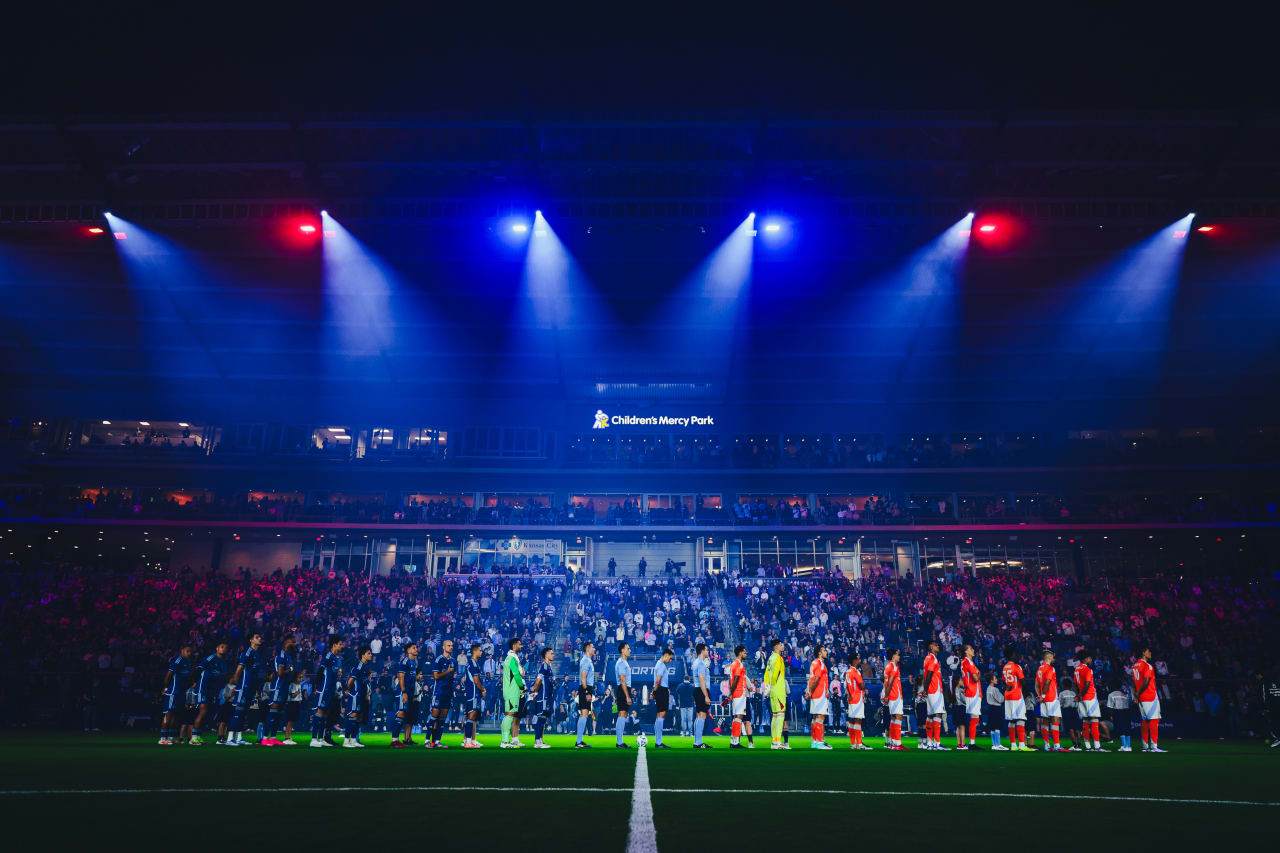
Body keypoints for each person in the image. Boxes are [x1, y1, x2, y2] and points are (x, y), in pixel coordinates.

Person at [225, 633, 263, 746]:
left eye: (260, 637)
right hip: (244, 685)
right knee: (238, 711)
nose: (259, 638)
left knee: (244, 712)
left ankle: (239, 738)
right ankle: (229, 738)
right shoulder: (248, 652)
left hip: (252, 686)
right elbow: (240, 667)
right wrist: (236, 682)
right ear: (251, 640)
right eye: (257, 637)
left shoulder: (257, 654)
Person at [191, 639, 229, 746]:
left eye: (225, 647)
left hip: (212, 690)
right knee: (202, 711)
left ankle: (198, 737)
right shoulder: (212, 657)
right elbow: (199, 669)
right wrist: (194, 682)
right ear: (217, 648)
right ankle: (194, 738)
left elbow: (222, 677)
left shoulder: (223, 663)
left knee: (206, 713)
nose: (224, 649)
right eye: (222, 646)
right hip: (203, 688)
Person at [262, 634, 297, 747]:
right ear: (287, 642)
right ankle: (264, 738)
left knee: (278, 714)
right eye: (293, 642)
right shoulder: (281, 655)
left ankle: (273, 738)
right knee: (273, 711)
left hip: (284, 687)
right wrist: (290, 669)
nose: (295, 644)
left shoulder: (288, 655)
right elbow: (280, 673)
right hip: (278, 686)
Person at [158, 642, 195, 746]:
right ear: (182, 651)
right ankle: (162, 738)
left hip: (181, 693)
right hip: (173, 692)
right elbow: (168, 675)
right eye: (187, 651)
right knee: (169, 714)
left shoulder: (188, 662)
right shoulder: (177, 661)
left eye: (190, 652)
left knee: (176, 716)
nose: (189, 653)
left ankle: (171, 738)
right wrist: (166, 688)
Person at [310, 634, 344, 748]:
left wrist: (338, 674)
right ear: (334, 645)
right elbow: (320, 671)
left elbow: (334, 674)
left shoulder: (336, 658)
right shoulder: (328, 656)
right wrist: (316, 687)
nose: (342, 646)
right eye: (340, 644)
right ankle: (313, 739)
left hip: (331, 690)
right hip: (324, 689)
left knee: (324, 714)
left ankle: (321, 738)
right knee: (319, 713)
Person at [1132, 646, 1166, 752]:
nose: (1150, 653)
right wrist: (1137, 693)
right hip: (1149, 696)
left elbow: (1133, 683)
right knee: (1154, 720)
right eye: (1148, 651)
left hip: (1141, 697)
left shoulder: (1135, 666)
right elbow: (1146, 682)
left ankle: (1145, 746)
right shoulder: (1147, 666)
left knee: (1145, 721)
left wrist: (1135, 695)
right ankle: (1154, 746)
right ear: (1143, 653)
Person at [427, 638, 456, 749]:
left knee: (442, 719)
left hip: (448, 692)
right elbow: (435, 677)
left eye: (452, 645)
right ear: (443, 647)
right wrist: (447, 672)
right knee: (434, 716)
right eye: (449, 645)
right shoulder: (438, 660)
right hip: (439, 691)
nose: (451, 647)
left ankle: (437, 741)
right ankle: (427, 741)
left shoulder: (453, 661)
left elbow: (453, 676)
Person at [343, 646, 374, 748]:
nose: (371, 655)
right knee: (352, 716)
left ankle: (353, 740)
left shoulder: (365, 666)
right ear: (363, 655)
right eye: (369, 653)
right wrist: (350, 690)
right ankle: (346, 741)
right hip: (355, 695)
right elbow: (351, 679)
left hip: (360, 695)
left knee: (357, 718)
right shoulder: (359, 665)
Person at [1002, 646, 1032, 751]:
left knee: (1011, 720)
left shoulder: (1005, 667)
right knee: (1021, 719)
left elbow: (1003, 682)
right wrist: (1028, 693)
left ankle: (1013, 745)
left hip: (1008, 696)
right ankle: (1022, 745)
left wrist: (1006, 687)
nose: (1017, 656)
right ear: (1012, 655)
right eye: (1015, 654)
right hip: (1016, 695)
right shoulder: (1016, 667)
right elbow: (1023, 682)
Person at [391, 641, 420, 748]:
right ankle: (394, 741)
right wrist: (404, 692)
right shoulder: (405, 661)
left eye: (416, 647)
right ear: (408, 651)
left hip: (410, 693)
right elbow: (401, 677)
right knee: (401, 714)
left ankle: (401, 740)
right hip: (403, 692)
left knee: (406, 716)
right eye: (414, 648)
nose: (416, 649)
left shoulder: (414, 662)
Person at [920, 639, 947, 750]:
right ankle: (937, 743)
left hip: (931, 690)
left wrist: (925, 689)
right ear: (931, 647)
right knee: (937, 714)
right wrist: (925, 689)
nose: (938, 646)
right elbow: (929, 675)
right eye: (936, 645)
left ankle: (930, 743)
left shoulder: (928, 658)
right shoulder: (932, 658)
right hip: (934, 689)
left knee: (930, 715)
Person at [1074, 649, 1104, 751]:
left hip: (1081, 699)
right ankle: (1097, 746)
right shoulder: (1088, 670)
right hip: (1089, 697)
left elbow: (1075, 684)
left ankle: (1088, 746)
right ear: (1086, 658)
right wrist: (1081, 695)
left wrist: (1078, 695)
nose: (1091, 659)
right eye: (1090, 658)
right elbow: (1087, 684)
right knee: (1094, 720)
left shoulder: (1076, 669)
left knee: (1085, 721)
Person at [763, 638, 790, 750]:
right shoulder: (778, 658)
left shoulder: (770, 658)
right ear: (777, 646)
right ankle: (778, 742)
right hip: (778, 689)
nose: (782, 646)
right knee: (780, 715)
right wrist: (774, 685)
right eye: (781, 644)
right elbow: (775, 674)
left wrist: (768, 687)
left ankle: (774, 741)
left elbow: (766, 674)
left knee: (774, 715)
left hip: (772, 690)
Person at [804, 644, 832, 750]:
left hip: (816, 693)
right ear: (819, 653)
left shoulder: (813, 663)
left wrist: (809, 691)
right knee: (820, 717)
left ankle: (815, 741)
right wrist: (810, 691)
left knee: (815, 718)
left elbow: (811, 679)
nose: (826, 652)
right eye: (824, 650)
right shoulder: (819, 663)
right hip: (819, 694)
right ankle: (819, 742)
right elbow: (816, 679)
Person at [1035, 650, 1064, 751]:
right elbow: (1047, 682)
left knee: (1045, 721)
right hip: (1051, 697)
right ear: (1048, 658)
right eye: (1052, 657)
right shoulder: (1051, 668)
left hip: (1043, 700)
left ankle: (1046, 745)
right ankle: (1056, 745)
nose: (1053, 659)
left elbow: (1037, 685)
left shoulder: (1039, 669)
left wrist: (1040, 696)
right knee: (1055, 720)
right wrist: (1043, 695)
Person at [728, 645, 755, 749]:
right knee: (738, 717)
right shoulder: (739, 664)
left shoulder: (734, 664)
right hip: (739, 693)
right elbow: (736, 679)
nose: (746, 653)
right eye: (744, 652)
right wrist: (731, 692)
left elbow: (732, 680)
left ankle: (733, 741)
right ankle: (735, 743)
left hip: (736, 694)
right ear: (740, 653)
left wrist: (731, 693)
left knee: (736, 717)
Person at [501, 637, 526, 748]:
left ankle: (507, 741)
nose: (521, 646)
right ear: (514, 645)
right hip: (512, 691)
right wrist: (522, 687)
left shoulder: (512, 658)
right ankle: (504, 741)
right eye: (519, 644)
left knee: (510, 715)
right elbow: (516, 675)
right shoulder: (511, 659)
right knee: (509, 715)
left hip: (512, 691)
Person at [461, 643, 487, 748]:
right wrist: (483, 689)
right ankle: (467, 742)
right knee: (471, 717)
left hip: (472, 692)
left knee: (473, 717)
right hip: (473, 693)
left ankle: (470, 741)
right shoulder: (473, 663)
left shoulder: (472, 663)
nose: (481, 652)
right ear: (475, 651)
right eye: (480, 650)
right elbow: (476, 681)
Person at [529, 647, 555, 748]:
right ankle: (537, 741)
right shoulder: (544, 666)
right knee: (541, 718)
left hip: (547, 696)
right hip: (543, 695)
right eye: (551, 653)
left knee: (543, 718)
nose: (553, 655)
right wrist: (536, 692)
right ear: (546, 655)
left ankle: (541, 740)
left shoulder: (548, 666)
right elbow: (538, 680)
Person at [958, 644, 982, 751]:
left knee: (974, 718)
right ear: (966, 651)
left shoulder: (964, 662)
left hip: (970, 692)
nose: (973, 650)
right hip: (974, 692)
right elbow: (976, 678)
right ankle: (972, 743)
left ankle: (972, 743)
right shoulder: (968, 662)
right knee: (974, 718)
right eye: (971, 648)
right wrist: (979, 673)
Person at [844, 652, 871, 750]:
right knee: (858, 720)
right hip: (857, 698)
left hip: (851, 699)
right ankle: (859, 744)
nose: (859, 661)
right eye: (858, 659)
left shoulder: (847, 672)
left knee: (852, 721)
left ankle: (853, 744)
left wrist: (849, 695)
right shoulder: (856, 672)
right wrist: (864, 687)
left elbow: (847, 686)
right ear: (854, 661)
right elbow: (861, 685)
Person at [691, 643, 713, 749]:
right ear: (702, 651)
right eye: (707, 650)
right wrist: (706, 696)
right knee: (702, 715)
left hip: (697, 689)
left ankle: (697, 742)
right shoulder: (700, 663)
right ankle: (699, 742)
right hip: (701, 690)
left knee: (699, 715)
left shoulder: (696, 662)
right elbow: (701, 679)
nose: (708, 652)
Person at [882, 648, 905, 750]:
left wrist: (886, 696)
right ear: (893, 656)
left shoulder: (887, 666)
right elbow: (890, 683)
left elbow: (886, 683)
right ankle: (897, 743)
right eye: (897, 654)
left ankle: (893, 743)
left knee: (893, 718)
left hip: (891, 696)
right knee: (898, 717)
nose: (899, 656)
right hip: (895, 695)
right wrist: (886, 696)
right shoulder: (894, 666)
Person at [652, 648, 674, 748]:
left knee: (659, 715)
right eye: (670, 658)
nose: (670, 661)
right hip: (661, 690)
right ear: (665, 655)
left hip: (661, 690)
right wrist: (654, 692)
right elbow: (658, 681)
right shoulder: (661, 665)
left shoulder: (659, 664)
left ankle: (658, 741)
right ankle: (659, 742)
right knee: (662, 714)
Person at [614, 641, 634, 748]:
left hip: (624, 689)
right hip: (623, 689)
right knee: (622, 714)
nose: (630, 650)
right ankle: (619, 742)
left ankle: (620, 741)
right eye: (628, 648)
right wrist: (627, 696)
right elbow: (622, 680)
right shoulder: (621, 662)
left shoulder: (624, 662)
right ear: (622, 650)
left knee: (623, 714)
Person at [576, 640, 595, 748]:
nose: (594, 649)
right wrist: (587, 692)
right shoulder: (585, 661)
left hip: (587, 688)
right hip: (585, 688)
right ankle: (578, 741)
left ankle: (579, 740)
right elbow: (583, 678)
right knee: (584, 713)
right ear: (587, 649)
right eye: (592, 647)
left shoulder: (587, 660)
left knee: (585, 713)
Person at [1106, 681, 1133, 751]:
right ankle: (1128, 746)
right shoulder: (1124, 694)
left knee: (1121, 729)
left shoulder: (1111, 694)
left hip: (1118, 712)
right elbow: (1129, 704)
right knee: (1127, 728)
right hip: (1127, 711)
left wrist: (1111, 715)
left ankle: (1124, 746)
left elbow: (1110, 707)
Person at [985, 673, 1007, 750]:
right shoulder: (995, 689)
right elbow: (1001, 699)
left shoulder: (988, 688)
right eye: (995, 678)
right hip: (996, 708)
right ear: (991, 680)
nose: (996, 680)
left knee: (992, 727)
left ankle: (994, 744)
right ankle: (998, 745)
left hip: (990, 708)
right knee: (997, 726)